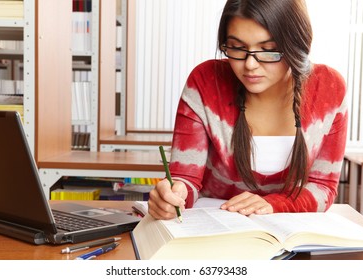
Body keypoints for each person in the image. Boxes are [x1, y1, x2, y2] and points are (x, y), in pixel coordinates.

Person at [148, 0, 348, 220]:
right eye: (237, 47)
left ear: (297, 45)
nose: (250, 65)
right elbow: (185, 180)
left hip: (292, 236)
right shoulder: (205, 81)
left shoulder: (328, 88)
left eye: (269, 50)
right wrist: (172, 197)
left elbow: (323, 187)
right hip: (213, 231)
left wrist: (275, 204)